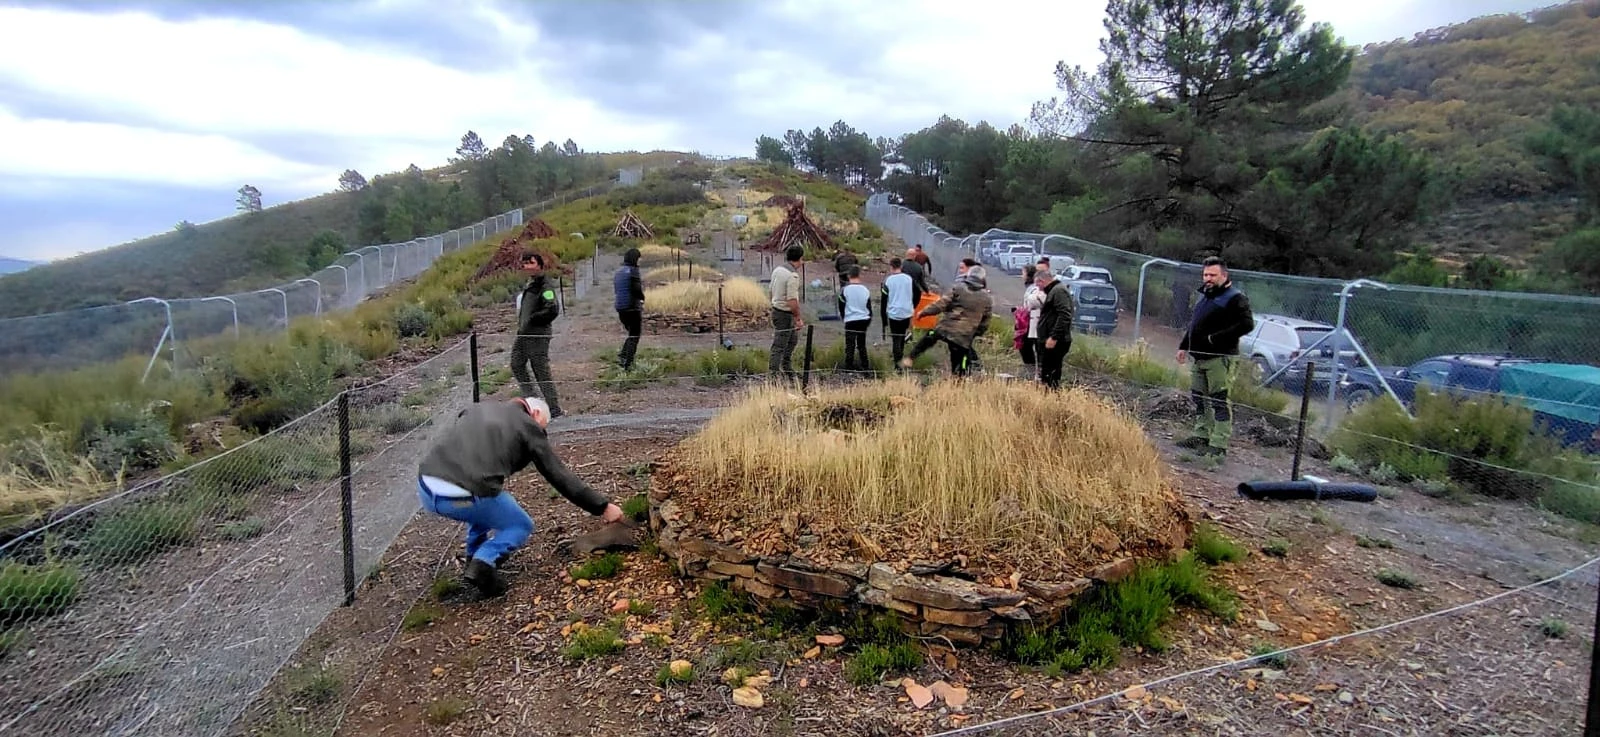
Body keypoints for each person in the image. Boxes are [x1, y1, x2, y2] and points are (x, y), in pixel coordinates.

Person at [417, 396, 625, 597]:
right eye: (543, 427)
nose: (542, 433)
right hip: (465, 494)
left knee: (486, 503)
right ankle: (483, 565)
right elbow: (559, 475)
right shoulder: (528, 426)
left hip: (427, 487)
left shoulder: (478, 408)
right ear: (534, 413)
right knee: (520, 524)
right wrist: (602, 507)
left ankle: (473, 554)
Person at [1177, 257, 1255, 457]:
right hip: (1199, 357)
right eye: (1205, 274)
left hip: (1220, 358)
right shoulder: (1206, 295)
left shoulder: (1235, 298)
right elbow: (1195, 323)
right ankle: (1201, 435)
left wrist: (1216, 338)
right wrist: (1184, 346)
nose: (1208, 278)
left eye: (1212, 275)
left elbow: (1247, 325)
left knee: (1219, 400)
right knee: (1198, 397)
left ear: (1224, 275)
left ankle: (1219, 444)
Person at [901, 260, 992, 378]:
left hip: (945, 328)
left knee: (929, 337)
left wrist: (924, 312)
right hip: (964, 336)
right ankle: (959, 379)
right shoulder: (987, 298)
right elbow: (985, 322)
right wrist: (976, 333)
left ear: (969, 275)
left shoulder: (958, 288)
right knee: (960, 359)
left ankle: (910, 358)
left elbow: (941, 304)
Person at [511, 251, 562, 418]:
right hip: (524, 333)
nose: (527, 266)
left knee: (540, 369)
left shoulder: (544, 286)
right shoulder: (531, 283)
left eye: (531, 263)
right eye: (525, 263)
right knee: (516, 363)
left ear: (539, 264)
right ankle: (531, 399)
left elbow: (552, 308)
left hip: (538, 334)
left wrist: (534, 319)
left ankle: (554, 408)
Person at [768, 245, 805, 382]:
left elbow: (770, 290)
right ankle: (773, 375)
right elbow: (792, 300)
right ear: (799, 259)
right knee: (779, 344)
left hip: (777, 309)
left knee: (791, 340)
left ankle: (787, 368)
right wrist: (798, 318)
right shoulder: (792, 276)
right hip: (785, 313)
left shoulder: (778, 270)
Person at [1033, 268, 1074, 390]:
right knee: (1047, 372)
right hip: (1049, 339)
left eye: (1038, 284)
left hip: (1056, 341)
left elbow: (1065, 315)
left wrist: (1054, 337)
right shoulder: (1055, 290)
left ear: (1042, 281)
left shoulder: (1058, 291)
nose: (1038, 288)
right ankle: (1048, 395)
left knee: (1051, 374)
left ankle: (1051, 396)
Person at [613, 247, 645, 371]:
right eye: (639, 258)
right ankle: (627, 364)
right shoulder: (633, 271)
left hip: (620, 308)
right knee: (635, 336)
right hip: (631, 308)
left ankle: (622, 355)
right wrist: (642, 299)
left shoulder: (619, 272)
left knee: (631, 334)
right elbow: (636, 290)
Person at [880, 258, 915, 368]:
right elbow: (916, 293)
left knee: (896, 338)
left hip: (894, 314)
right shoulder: (909, 279)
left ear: (891, 266)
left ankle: (897, 364)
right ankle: (900, 357)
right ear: (901, 266)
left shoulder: (888, 281)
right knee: (902, 335)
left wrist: (884, 319)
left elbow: (883, 300)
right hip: (906, 312)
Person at [841, 265, 872, 374]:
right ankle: (865, 366)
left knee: (850, 345)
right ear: (859, 275)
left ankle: (848, 367)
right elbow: (869, 307)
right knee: (862, 344)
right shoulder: (865, 290)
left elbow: (841, 305)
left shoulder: (845, 290)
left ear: (849, 276)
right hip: (863, 319)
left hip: (850, 319)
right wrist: (869, 319)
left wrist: (843, 317)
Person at [1015, 264, 1042, 378]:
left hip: (1034, 321)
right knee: (1025, 346)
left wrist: (1026, 309)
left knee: (1031, 346)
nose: (1022, 276)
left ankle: (1036, 373)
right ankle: (1031, 371)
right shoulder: (1029, 288)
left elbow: (1035, 302)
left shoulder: (1035, 288)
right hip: (1028, 321)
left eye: (1023, 273)